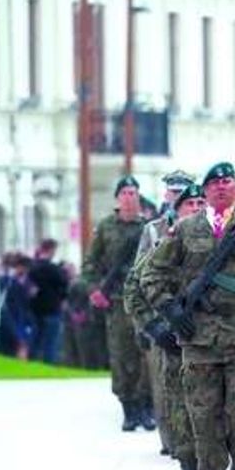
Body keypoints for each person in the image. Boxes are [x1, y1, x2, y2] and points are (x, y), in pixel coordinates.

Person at [138, 182, 232, 470]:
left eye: (197, 202)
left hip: (216, 337)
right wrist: (157, 324)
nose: (193, 208)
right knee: (182, 409)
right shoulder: (169, 240)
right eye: (187, 203)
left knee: (219, 410)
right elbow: (138, 285)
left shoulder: (226, 237)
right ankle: (190, 469)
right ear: (177, 210)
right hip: (174, 337)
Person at [82, 175, 151, 431]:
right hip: (117, 299)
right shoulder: (106, 228)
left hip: (145, 300)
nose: (129, 197)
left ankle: (146, 406)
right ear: (117, 198)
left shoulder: (149, 228)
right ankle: (128, 407)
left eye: (134, 193)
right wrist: (94, 290)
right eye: (125, 193)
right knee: (122, 355)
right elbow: (90, 264)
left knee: (147, 355)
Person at [135, 170, 196, 457]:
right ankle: (173, 444)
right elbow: (141, 280)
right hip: (164, 319)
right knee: (165, 388)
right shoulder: (153, 230)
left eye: (182, 192)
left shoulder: (209, 230)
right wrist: (150, 326)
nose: (177, 197)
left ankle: (193, 453)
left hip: (200, 323)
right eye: (173, 192)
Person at [28, 239, 69, 363]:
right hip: (52, 309)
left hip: (35, 310)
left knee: (36, 341)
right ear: (51, 250)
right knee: (50, 343)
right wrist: (62, 299)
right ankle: (49, 365)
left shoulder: (33, 268)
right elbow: (64, 285)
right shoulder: (54, 269)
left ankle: (33, 365)